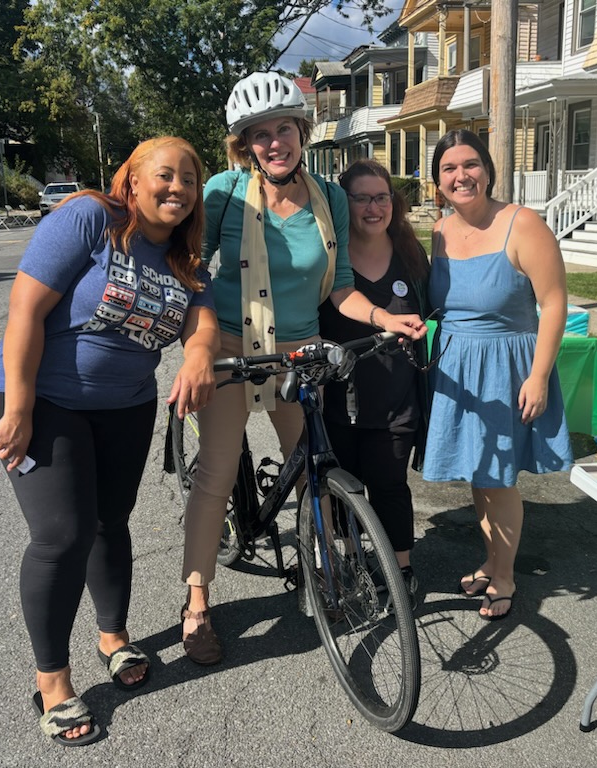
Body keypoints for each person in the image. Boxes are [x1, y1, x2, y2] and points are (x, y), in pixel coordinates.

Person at [180, 72, 426, 664]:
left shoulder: (330, 198)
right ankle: (196, 603)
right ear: (245, 144)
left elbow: (340, 288)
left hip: (301, 351)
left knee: (318, 466)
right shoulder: (224, 192)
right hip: (235, 347)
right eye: (259, 134)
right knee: (215, 471)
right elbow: (194, 272)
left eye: (283, 129)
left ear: (301, 132)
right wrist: (197, 349)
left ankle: (323, 570)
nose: (274, 143)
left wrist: (384, 318)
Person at [0, 136, 220, 746]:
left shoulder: (186, 260)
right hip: (42, 399)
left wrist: (197, 358)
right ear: (132, 182)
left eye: (190, 179)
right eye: (165, 176)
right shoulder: (93, 217)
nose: (178, 188)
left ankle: (112, 636)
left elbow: (203, 324)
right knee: (63, 534)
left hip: (126, 405)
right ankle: (53, 681)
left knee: (112, 521)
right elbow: (25, 309)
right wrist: (19, 407)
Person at [425, 129, 572, 621]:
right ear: (437, 181)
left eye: (470, 164)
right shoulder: (440, 231)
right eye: (448, 168)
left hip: (507, 368)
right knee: (478, 473)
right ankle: (491, 561)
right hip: (456, 368)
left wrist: (538, 376)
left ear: (487, 170)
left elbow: (553, 305)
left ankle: (505, 576)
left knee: (500, 478)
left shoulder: (523, 223)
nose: (460, 175)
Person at [318, 159, 430, 606]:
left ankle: (400, 569)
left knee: (388, 484)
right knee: (344, 485)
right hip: (338, 395)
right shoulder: (330, 257)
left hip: (396, 397)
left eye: (381, 196)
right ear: (345, 205)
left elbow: (436, 312)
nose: (372, 206)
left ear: (393, 202)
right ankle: (354, 558)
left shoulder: (409, 253)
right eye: (361, 198)